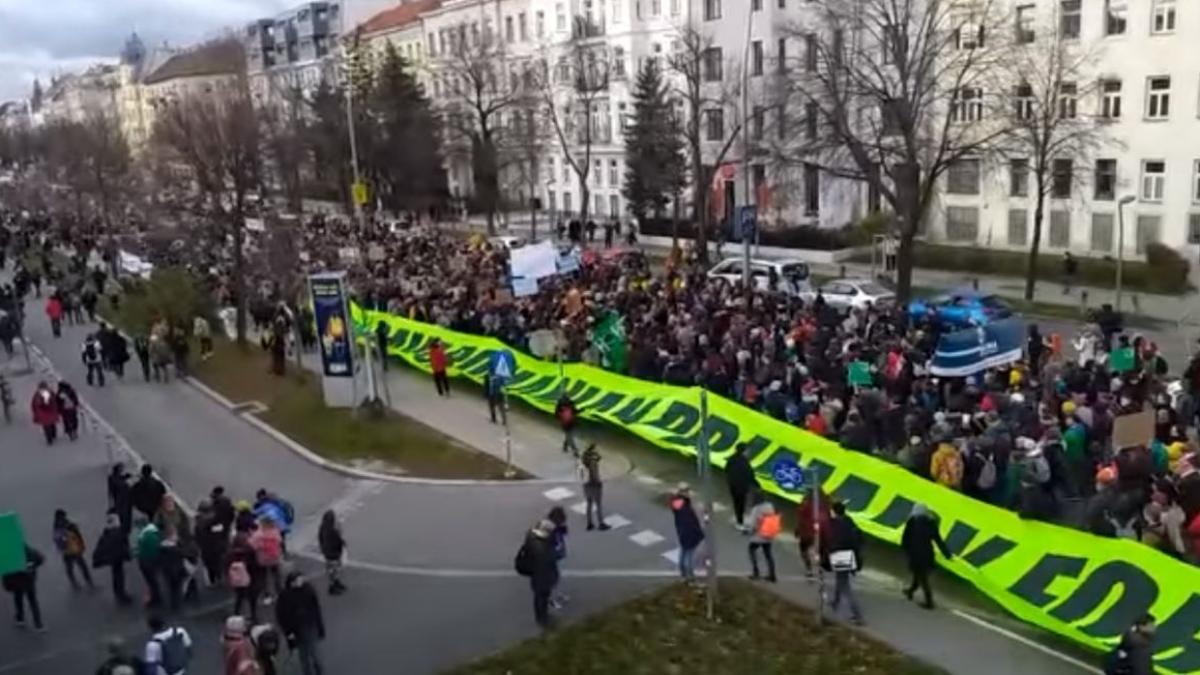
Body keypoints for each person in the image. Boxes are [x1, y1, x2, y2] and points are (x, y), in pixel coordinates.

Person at [900, 503, 953, 609]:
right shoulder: (931, 523)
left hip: (915, 553)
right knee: (919, 575)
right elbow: (938, 540)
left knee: (922, 578)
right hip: (927, 554)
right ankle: (910, 591)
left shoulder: (912, 521)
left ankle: (929, 602)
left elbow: (905, 537)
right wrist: (947, 554)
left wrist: (904, 549)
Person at [275, 571, 326, 675]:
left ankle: (317, 672)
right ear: (292, 582)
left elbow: (316, 610)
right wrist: (288, 631)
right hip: (299, 628)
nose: (300, 581)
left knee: (312, 654)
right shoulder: (286, 595)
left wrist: (320, 626)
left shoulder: (307, 591)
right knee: (306, 655)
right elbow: (282, 616)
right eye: (298, 580)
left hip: (308, 626)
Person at [824, 501, 864, 625]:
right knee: (840, 579)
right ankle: (836, 602)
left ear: (835, 512)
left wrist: (829, 550)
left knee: (844, 586)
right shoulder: (848, 521)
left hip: (841, 556)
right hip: (849, 555)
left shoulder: (838, 525)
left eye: (831, 510)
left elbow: (837, 542)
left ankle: (857, 616)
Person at [516, 519, 559, 629]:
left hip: (536, 572)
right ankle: (542, 619)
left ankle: (542, 617)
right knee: (541, 596)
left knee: (540, 596)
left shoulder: (532, 537)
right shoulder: (541, 549)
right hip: (541, 576)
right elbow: (549, 560)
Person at [92, 512, 133, 605]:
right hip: (117, 558)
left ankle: (118, 593)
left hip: (113, 559)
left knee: (116, 575)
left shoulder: (106, 534)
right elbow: (123, 546)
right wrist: (127, 555)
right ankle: (121, 595)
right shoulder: (118, 533)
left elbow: (102, 546)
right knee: (119, 576)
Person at [2, 544, 45, 630]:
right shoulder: (27, 550)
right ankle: (38, 624)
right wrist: (32, 567)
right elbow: (40, 559)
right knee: (33, 601)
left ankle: (20, 618)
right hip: (28, 580)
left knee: (18, 598)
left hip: (16, 582)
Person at [52, 508, 94, 590]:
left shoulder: (56, 527)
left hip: (67, 552)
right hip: (73, 550)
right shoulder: (68, 525)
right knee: (82, 567)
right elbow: (78, 535)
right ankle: (89, 583)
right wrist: (81, 546)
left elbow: (57, 541)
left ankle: (75, 584)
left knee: (70, 569)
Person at [670, 483, 705, 580]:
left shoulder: (677, 502)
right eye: (687, 491)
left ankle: (683, 574)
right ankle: (689, 575)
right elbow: (690, 521)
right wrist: (698, 532)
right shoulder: (684, 506)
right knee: (689, 555)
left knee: (684, 552)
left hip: (682, 531)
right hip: (689, 532)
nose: (689, 493)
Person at [795, 486, 832, 578]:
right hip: (821, 533)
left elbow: (801, 517)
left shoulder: (806, 504)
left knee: (804, 550)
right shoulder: (826, 504)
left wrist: (798, 529)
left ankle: (809, 569)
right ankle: (820, 570)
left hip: (807, 532)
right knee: (820, 552)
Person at [226, 532, 261, 623]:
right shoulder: (250, 551)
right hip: (250, 578)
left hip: (237, 580)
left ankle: (236, 614)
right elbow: (255, 565)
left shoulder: (230, 553)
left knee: (239, 597)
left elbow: (226, 565)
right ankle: (253, 616)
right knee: (252, 599)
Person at [194, 500, 229, 587]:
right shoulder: (216, 521)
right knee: (219, 563)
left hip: (206, 548)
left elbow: (198, 536)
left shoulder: (199, 522)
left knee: (209, 565)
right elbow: (222, 533)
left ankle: (213, 580)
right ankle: (220, 578)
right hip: (217, 547)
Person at [747, 491, 780, 582]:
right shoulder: (770, 507)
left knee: (751, 550)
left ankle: (756, 571)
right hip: (769, 535)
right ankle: (772, 574)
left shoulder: (756, 509)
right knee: (768, 554)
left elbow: (753, 524)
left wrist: (748, 531)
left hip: (759, 535)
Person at [725, 443, 758, 532]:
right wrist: (757, 485)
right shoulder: (744, 462)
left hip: (733, 485)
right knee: (740, 505)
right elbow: (750, 475)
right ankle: (739, 522)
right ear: (744, 451)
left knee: (737, 504)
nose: (749, 452)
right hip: (741, 487)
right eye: (747, 450)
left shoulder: (732, 458)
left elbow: (726, 469)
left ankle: (739, 520)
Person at [250, 516, 285, 601]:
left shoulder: (258, 534)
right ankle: (280, 593)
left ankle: (267, 595)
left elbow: (253, 546)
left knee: (263, 578)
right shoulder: (275, 532)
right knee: (277, 576)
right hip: (275, 558)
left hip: (263, 559)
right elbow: (280, 542)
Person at [579, 443, 610, 531]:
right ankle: (601, 523)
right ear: (592, 451)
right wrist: (599, 483)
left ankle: (589, 523)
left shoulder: (583, 460)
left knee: (589, 504)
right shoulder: (593, 463)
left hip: (586, 485)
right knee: (598, 505)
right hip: (594, 485)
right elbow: (594, 475)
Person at [135, 517, 164, 609]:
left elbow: (140, 550)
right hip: (152, 560)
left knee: (152, 581)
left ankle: (156, 598)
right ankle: (156, 596)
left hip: (147, 561)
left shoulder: (145, 536)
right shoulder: (154, 532)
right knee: (153, 580)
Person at [317, 510, 347, 595]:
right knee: (334, 569)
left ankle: (335, 583)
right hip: (333, 553)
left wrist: (322, 548)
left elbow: (320, 538)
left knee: (333, 569)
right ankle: (332, 587)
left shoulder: (323, 527)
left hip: (328, 552)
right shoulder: (333, 530)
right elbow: (338, 540)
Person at [30, 380, 59, 445]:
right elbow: (55, 401)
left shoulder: (37, 394)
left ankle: (49, 438)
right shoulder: (50, 392)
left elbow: (33, 404)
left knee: (46, 426)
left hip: (42, 413)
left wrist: (35, 412)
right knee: (52, 423)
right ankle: (53, 434)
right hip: (50, 412)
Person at [108, 464, 134, 533]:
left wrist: (125, 477)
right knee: (125, 515)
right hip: (122, 500)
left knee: (123, 515)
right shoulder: (119, 483)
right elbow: (119, 484)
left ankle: (124, 528)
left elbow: (117, 480)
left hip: (121, 500)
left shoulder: (112, 478)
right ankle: (124, 530)